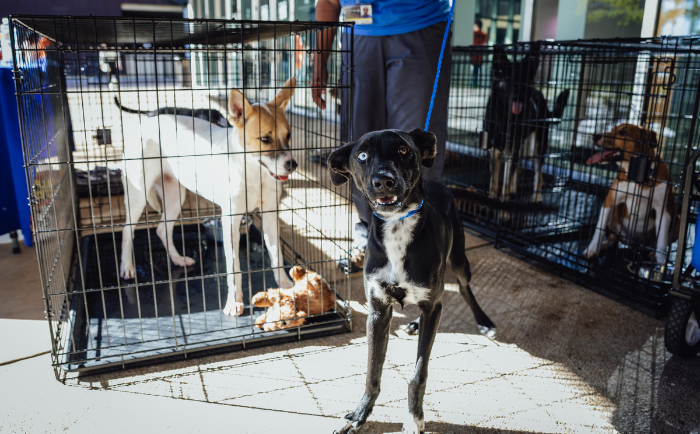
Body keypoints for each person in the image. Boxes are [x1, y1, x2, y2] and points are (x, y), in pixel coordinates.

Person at [313, 0, 452, 271]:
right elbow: (328, 2)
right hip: (359, 32)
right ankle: (370, 235)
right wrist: (319, 63)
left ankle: (423, 241)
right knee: (362, 150)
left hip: (419, 22)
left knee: (413, 147)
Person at [472, 20, 488, 87]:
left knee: (475, 71)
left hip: (474, 56)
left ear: (476, 25)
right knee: (479, 71)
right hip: (480, 56)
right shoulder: (484, 35)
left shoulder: (473, 33)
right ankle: (478, 84)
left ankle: (474, 84)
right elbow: (485, 45)